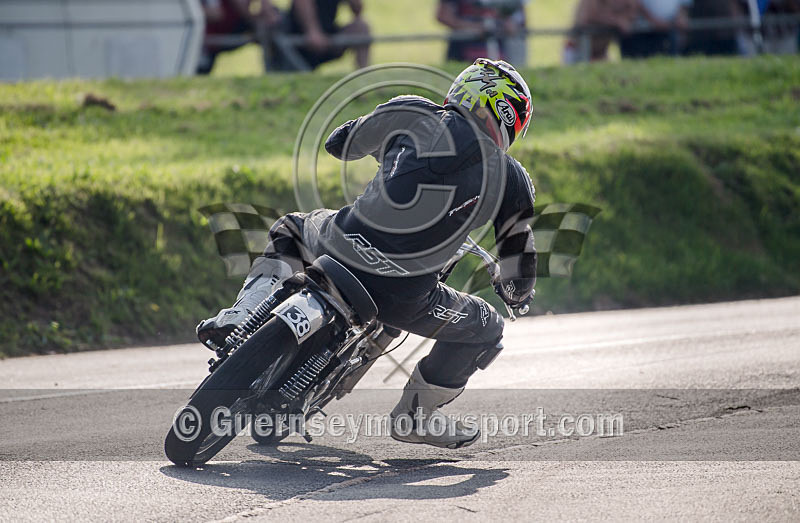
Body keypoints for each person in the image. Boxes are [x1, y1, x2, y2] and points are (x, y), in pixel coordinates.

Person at [197, 59, 536, 448]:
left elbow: (338, 144)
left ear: (464, 90)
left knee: (292, 226)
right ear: (509, 118)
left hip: (339, 246)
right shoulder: (511, 177)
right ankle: (416, 416)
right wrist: (515, 295)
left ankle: (240, 317)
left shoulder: (413, 112)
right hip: (406, 297)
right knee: (489, 327)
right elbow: (519, 268)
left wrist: (391, 148)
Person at [273, 0, 370, 70]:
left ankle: (363, 75)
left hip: (328, 37)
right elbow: (301, 2)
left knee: (361, 28)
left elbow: (357, 9)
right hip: (300, 39)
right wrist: (312, 31)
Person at [196, 0, 280, 75]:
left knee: (271, 26)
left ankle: (278, 70)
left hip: (237, 26)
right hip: (214, 35)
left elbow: (270, 16)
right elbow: (216, 14)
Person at [436, 0, 527, 62]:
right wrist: (475, 28)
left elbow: (519, 17)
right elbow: (443, 15)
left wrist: (511, 23)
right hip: (463, 52)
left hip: (498, 52)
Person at [563, 0, 641, 63]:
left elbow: (632, 9)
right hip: (579, 50)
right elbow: (586, 17)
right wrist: (617, 21)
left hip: (601, 53)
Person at [620, 0, 693, 57]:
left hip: (671, 27)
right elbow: (637, 3)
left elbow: (683, 4)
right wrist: (653, 20)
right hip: (643, 30)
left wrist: (680, 17)